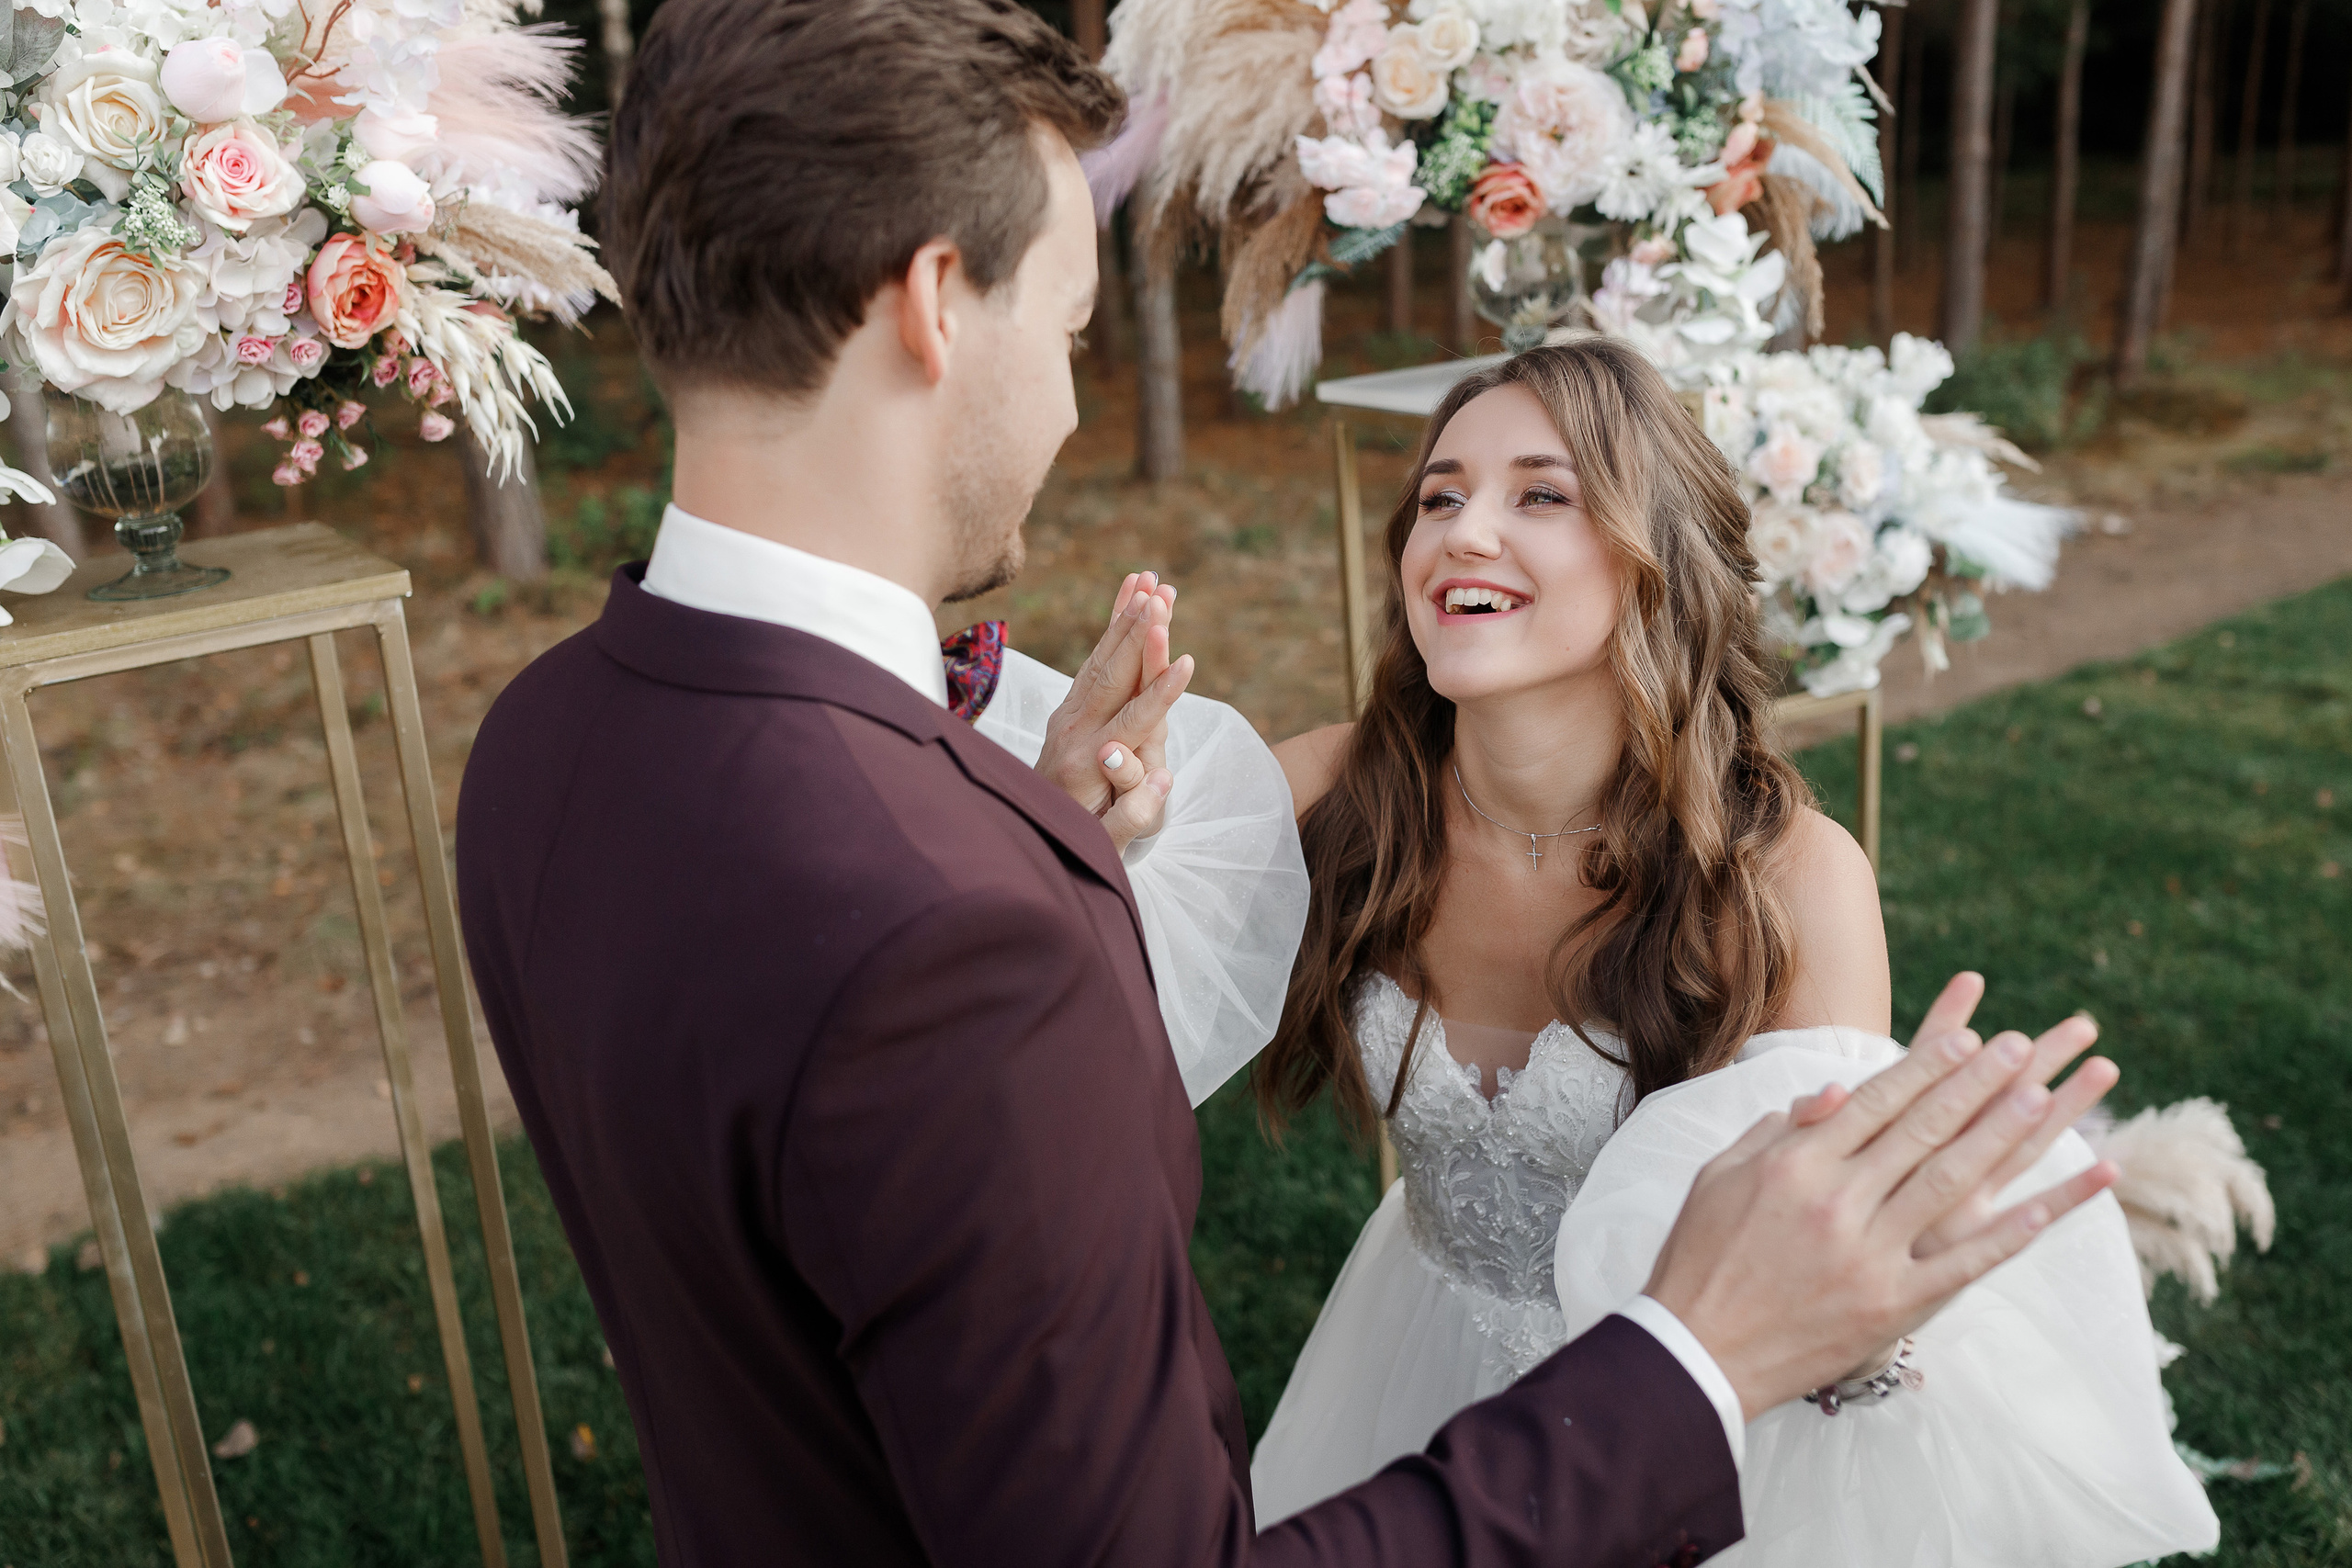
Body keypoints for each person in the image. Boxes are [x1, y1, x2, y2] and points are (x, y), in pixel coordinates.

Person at [455, 2, 2123, 1562]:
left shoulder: (546, 743)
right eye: (1070, 326)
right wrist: (1698, 1359)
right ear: (932, 302)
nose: (1066, 395)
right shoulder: (970, 929)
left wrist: (1035, 834)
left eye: (1541, 498)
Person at [1210, 342, 2218, 1564]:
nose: (1465, 531)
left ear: (1654, 559)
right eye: (1439, 496)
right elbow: (1088, 926)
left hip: (1698, 1421)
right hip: (1414, 1350)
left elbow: (1827, 1270)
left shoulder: (1785, 882)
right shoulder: (1328, 791)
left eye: (1541, 492)